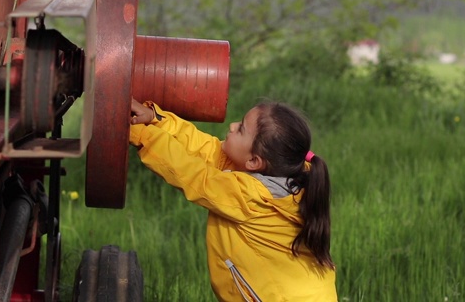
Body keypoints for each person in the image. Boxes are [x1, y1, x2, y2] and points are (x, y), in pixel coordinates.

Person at [129, 98, 337, 302]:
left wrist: (141, 134)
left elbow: (193, 175)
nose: (232, 125)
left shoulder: (249, 195)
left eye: (241, 129)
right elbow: (205, 149)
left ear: (254, 161)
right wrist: (156, 119)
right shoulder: (288, 173)